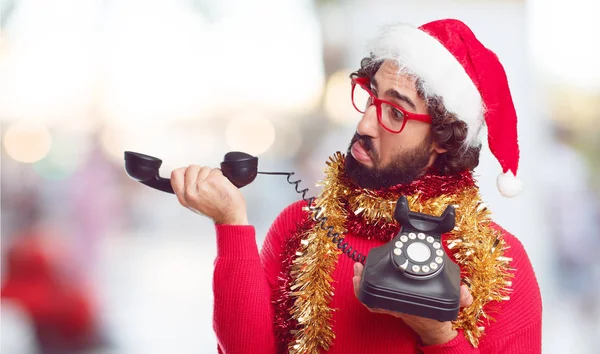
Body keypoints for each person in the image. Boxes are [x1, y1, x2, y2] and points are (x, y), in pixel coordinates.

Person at [170, 19, 542, 353]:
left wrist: (438, 336)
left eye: (395, 112)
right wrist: (231, 222)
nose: (364, 125)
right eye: (370, 97)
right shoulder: (300, 225)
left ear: (443, 138)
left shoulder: (500, 261)